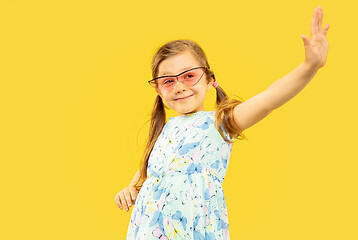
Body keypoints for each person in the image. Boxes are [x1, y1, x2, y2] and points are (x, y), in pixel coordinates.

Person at [115, 6, 329, 239]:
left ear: (208, 80)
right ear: (158, 89)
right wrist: (130, 189)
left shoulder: (219, 123)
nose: (179, 86)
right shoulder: (164, 131)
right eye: (168, 81)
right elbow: (150, 173)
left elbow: (269, 100)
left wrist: (310, 66)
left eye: (189, 75)